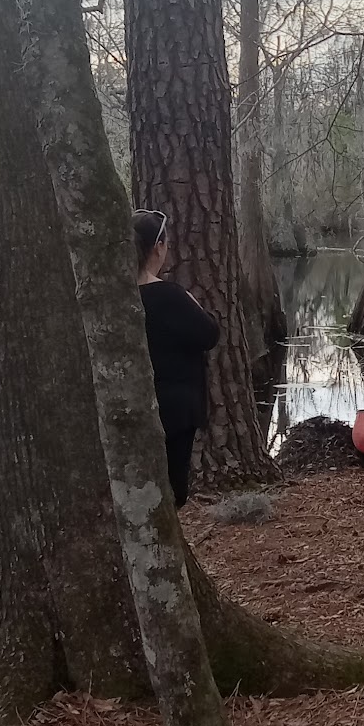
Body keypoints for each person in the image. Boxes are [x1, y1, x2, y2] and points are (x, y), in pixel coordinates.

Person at [132, 209, 219, 508]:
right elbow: (209, 336)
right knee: (172, 490)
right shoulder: (170, 295)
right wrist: (193, 303)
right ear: (158, 247)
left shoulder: (114, 296)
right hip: (175, 408)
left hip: (130, 406)